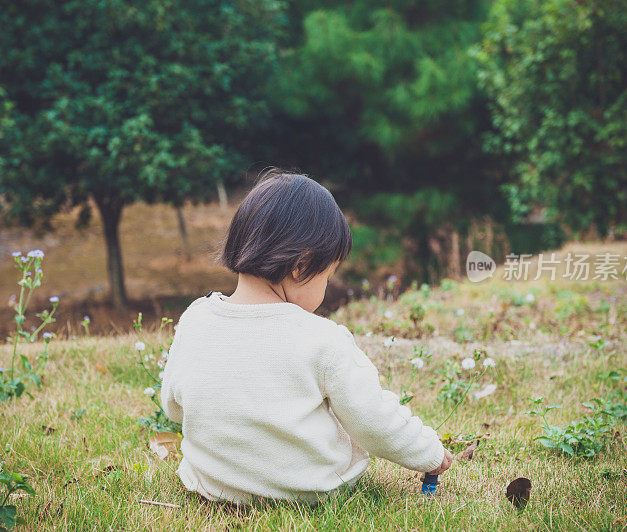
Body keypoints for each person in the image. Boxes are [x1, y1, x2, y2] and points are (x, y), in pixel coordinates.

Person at [160, 168, 453, 505]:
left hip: (213, 487)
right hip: (307, 493)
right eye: (327, 277)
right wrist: (429, 452)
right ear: (301, 266)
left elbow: (173, 407)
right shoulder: (322, 340)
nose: (325, 289)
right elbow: (372, 419)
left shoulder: (197, 319)